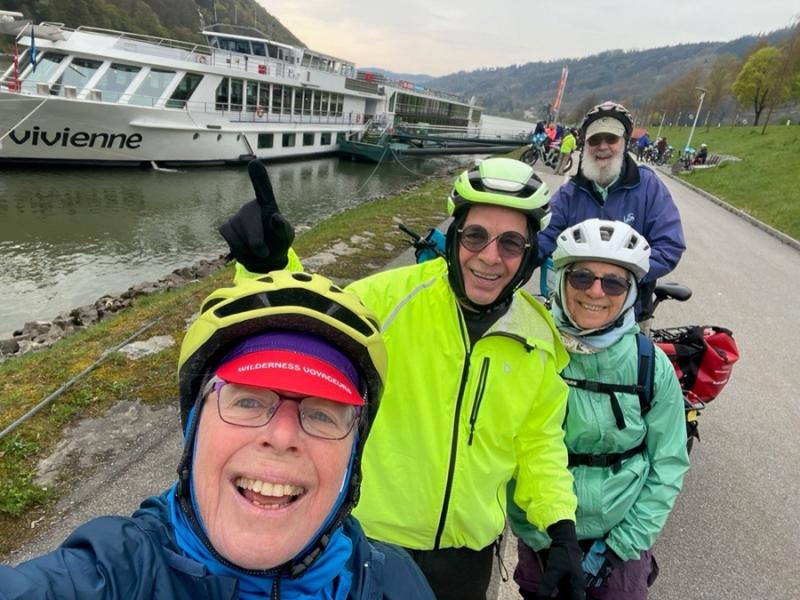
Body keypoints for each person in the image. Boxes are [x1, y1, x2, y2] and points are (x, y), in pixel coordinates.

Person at [219, 158, 584, 600]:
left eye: (510, 243)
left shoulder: (537, 337)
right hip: (370, 546)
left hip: (467, 559)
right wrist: (269, 267)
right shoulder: (386, 300)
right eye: (475, 236)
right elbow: (304, 328)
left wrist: (561, 528)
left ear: (528, 254)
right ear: (455, 236)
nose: (490, 257)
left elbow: (540, 445)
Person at [0, 272, 435, 599]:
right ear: (194, 427)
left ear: (353, 454)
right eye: (247, 401)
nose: (282, 435)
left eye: (323, 413)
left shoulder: (395, 582)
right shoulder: (112, 574)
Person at [509, 218, 690, 599]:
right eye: (581, 277)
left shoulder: (650, 366)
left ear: (630, 292)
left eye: (613, 283)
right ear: (561, 281)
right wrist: (538, 537)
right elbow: (510, 452)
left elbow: (667, 464)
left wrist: (619, 548)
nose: (595, 291)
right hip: (544, 536)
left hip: (620, 540)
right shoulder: (531, 353)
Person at [537, 101, 686, 330]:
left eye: (611, 139)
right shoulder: (570, 193)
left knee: (638, 352)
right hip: (574, 310)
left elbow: (670, 245)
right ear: (585, 145)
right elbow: (544, 236)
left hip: (631, 314)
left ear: (624, 143)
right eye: (594, 140)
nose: (602, 146)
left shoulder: (648, 186)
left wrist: (620, 277)